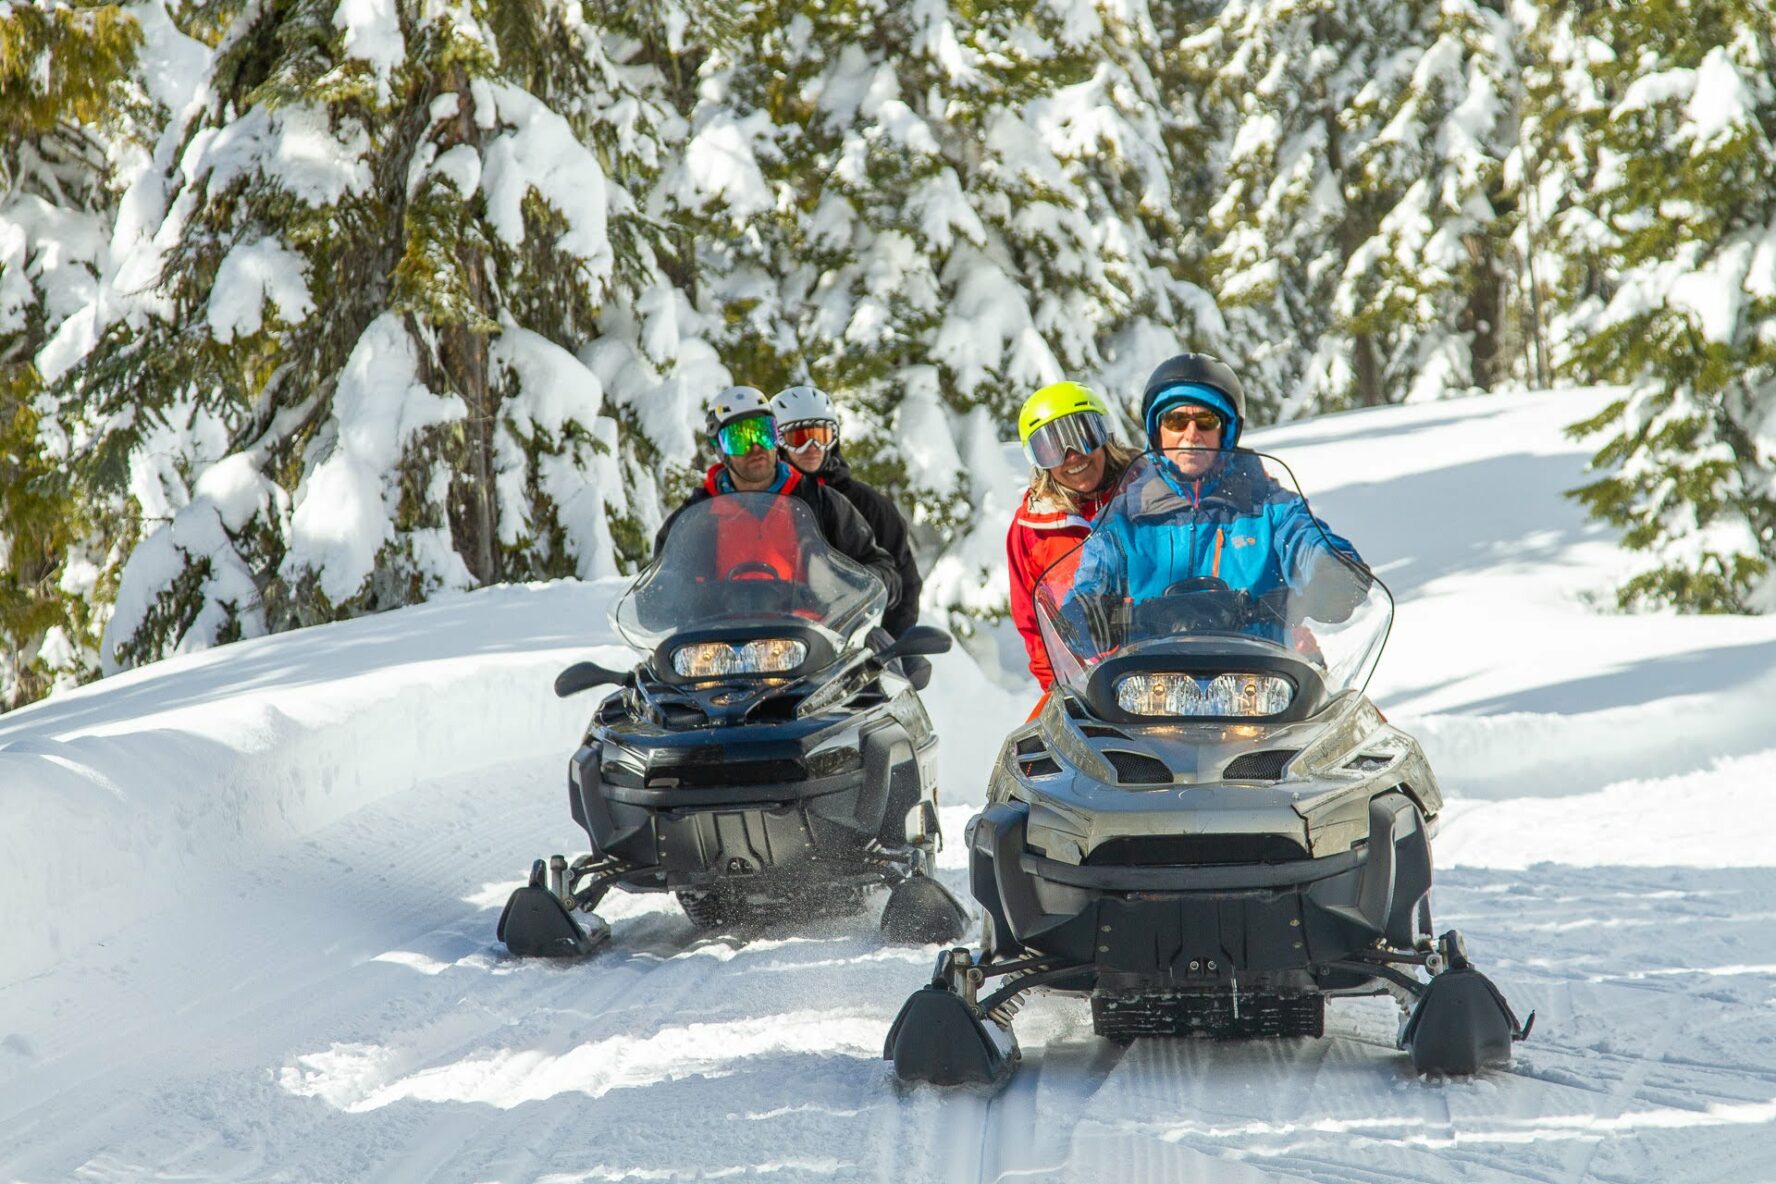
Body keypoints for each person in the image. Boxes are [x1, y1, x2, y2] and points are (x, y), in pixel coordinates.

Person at [1063, 353, 1368, 647]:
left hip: (1261, 677)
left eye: (1206, 420)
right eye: (1176, 420)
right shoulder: (1125, 519)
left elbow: (1307, 540)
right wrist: (1083, 611)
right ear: (1157, 433)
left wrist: (1331, 568)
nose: (1191, 434)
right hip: (1149, 683)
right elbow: (1093, 577)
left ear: (1226, 431)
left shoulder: (1270, 508)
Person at [654, 387, 903, 618]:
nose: (756, 448)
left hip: (813, 641)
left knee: (882, 660)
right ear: (720, 449)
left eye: (764, 433)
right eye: (740, 439)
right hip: (716, 644)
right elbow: (659, 586)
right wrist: (682, 597)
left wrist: (860, 586)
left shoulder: (820, 502)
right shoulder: (697, 516)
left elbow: (881, 567)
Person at [1006, 381, 1141, 693]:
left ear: (1104, 435)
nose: (1072, 456)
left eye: (1083, 437)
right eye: (1051, 448)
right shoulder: (1032, 528)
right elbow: (1034, 625)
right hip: (1091, 686)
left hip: (1161, 666)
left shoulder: (1150, 494)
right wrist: (1058, 689)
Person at [770, 384, 925, 639]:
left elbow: (904, 582)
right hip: (777, 642)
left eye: (821, 435)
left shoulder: (869, 504)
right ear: (779, 443)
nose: (812, 447)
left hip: (854, 645)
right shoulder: (766, 505)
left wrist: (889, 645)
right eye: (799, 438)